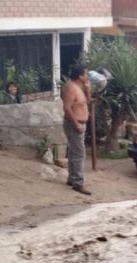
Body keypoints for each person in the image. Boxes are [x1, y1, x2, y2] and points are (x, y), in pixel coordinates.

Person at [61, 64, 92, 195]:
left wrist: (87, 89)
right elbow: (67, 108)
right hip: (74, 124)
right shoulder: (70, 87)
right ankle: (78, 183)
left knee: (74, 152)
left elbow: (87, 102)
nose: (87, 76)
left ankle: (72, 179)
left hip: (80, 124)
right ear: (80, 75)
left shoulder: (79, 87)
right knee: (80, 153)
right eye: (85, 74)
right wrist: (76, 124)